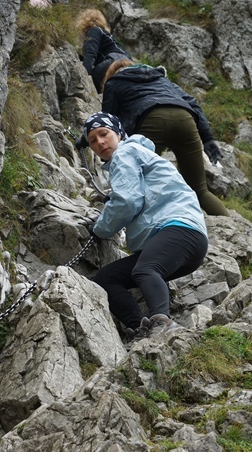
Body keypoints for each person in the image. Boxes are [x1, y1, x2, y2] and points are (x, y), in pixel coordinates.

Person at [82, 112, 209, 342]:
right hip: (183, 239)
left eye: (104, 134)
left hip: (178, 228)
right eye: (92, 140)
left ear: (118, 134)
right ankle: (138, 328)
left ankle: (162, 322)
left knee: (145, 269)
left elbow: (128, 201)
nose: (99, 142)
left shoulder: (126, 153)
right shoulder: (135, 155)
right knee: (107, 279)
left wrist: (99, 229)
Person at [101, 59, 230, 216]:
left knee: (137, 181)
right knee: (200, 190)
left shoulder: (113, 83)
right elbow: (193, 103)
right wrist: (208, 138)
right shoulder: (162, 79)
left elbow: (107, 122)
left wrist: (93, 143)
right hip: (185, 119)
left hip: (151, 120)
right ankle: (234, 231)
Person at [76, 9, 132, 93]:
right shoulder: (106, 35)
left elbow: (90, 53)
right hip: (127, 63)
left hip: (113, 60)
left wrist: (84, 77)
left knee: (93, 84)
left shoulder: (93, 30)